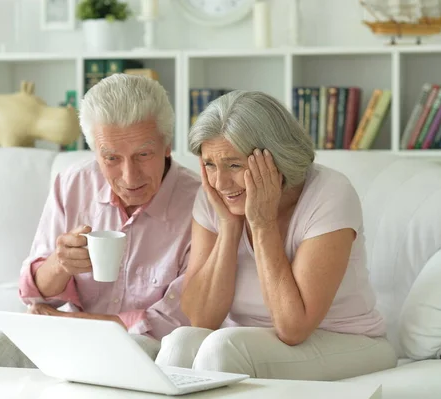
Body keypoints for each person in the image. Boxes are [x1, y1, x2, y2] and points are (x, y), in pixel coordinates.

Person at [154, 90, 398, 381]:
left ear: (275, 160)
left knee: (223, 348)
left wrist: (262, 224)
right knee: (179, 342)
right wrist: (230, 227)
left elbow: (293, 328)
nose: (220, 182)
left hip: (346, 341)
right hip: (253, 343)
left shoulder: (330, 193)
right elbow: (202, 319)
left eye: (234, 164)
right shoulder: (216, 198)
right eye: (209, 164)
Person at [0, 74, 200, 367]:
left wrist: (72, 322)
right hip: (72, 340)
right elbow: (35, 297)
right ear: (95, 151)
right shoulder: (73, 184)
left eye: (143, 154)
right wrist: (60, 264)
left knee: (140, 348)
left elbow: (172, 323)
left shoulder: (198, 204)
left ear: (167, 145)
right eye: (111, 158)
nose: (130, 176)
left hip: (152, 351)